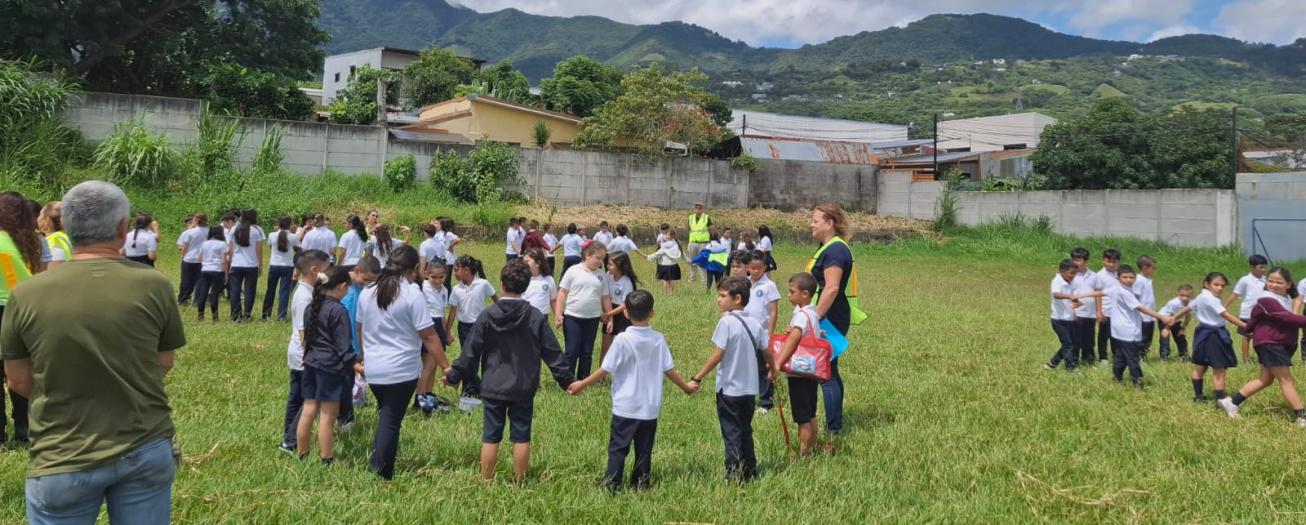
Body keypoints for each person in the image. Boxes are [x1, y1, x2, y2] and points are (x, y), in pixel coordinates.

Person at [2, 180, 185, 524]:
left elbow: (17, 380)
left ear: (65, 227)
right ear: (123, 228)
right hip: (143, 444)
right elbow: (164, 361)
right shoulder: (155, 285)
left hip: (61, 453)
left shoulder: (26, 294)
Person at [445, 261, 574, 482]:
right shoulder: (534, 316)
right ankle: (520, 482)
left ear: (501, 283)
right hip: (524, 385)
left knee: (491, 436)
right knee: (521, 435)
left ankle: (486, 480)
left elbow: (470, 351)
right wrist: (567, 381)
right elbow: (552, 351)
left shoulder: (487, 315)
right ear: (525, 286)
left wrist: (454, 375)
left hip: (493, 384)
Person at [568, 290, 696, 491]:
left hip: (625, 406)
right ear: (652, 312)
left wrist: (581, 384)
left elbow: (605, 369)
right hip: (649, 407)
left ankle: (612, 484)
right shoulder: (658, 339)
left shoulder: (622, 339)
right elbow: (669, 369)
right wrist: (686, 387)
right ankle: (640, 484)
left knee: (618, 448)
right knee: (644, 449)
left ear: (625, 313)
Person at [356, 246, 452, 480]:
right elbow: (428, 335)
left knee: (386, 415)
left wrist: (364, 356)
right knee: (390, 420)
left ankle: (380, 462)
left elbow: (360, 329)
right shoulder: (411, 294)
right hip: (401, 371)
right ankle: (379, 472)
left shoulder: (367, 291)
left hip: (374, 369)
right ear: (416, 269)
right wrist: (446, 366)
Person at [688, 276, 769, 482]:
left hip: (729, 389)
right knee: (745, 430)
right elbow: (766, 351)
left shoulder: (726, 322)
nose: (718, 300)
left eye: (723, 296)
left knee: (731, 432)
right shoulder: (755, 322)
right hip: (749, 389)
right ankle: (751, 470)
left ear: (737, 299)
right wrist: (774, 370)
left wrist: (697, 376)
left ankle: (733, 473)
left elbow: (718, 355)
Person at [1218, 267, 1306, 426]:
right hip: (1271, 344)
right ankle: (1301, 416)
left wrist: (1251, 324)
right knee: (1286, 380)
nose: (1274, 284)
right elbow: (1285, 318)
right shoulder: (1266, 299)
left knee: (1265, 380)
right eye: (1270, 281)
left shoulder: (1284, 298)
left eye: (1279, 282)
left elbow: (1253, 322)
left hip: (1276, 344)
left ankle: (1232, 403)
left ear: (1288, 284)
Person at [807, 203, 865, 436]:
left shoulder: (836, 251)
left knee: (826, 374)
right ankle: (833, 423)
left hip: (829, 319)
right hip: (826, 316)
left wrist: (814, 318)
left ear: (829, 223)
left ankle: (834, 429)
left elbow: (831, 289)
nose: (811, 224)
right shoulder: (828, 247)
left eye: (815, 220)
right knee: (827, 370)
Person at [296, 267, 355, 464]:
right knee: (328, 416)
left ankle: (302, 454)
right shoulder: (339, 311)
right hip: (330, 367)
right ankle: (326, 458)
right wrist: (358, 366)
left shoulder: (311, 307)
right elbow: (344, 345)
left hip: (311, 362)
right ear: (342, 286)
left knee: (308, 410)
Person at [0, 191, 42, 445]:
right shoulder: (26, 242)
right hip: (22, 311)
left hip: (6, 308)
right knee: (20, 373)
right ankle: (24, 430)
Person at [280, 249, 331, 454]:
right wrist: (314, 356)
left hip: (302, 354)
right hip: (304, 354)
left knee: (298, 397)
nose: (330, 272)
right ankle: (292, 439)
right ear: (314, 270)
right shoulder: (304, 296)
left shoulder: (310, 292)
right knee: (308, 399)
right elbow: (304, 333)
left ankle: (289, 437)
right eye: (328, 268)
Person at [1171, 272, 1248, 402]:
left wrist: (1173, 317)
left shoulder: (1202, 297)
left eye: (1222, 285)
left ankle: (1198, 396)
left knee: (1201, 365)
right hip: (1214, 334)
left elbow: (1188, 308)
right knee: (1219, 368)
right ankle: (1221, 399)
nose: (1219, 288)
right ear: (1206, 284)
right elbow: (1225, 314)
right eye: (1216, 284)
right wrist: (1246, 326)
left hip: (1201, 333)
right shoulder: (1210, 298)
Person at [773, 273, 823, 456]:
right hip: (812, 372)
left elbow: (793, 340)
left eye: (792, 291)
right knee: (811, 413)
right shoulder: (812, 312)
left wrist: (778, 363)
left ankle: (805, 453)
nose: (788, 295)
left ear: (805, 294)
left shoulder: (801, 316)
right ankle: (813, 445)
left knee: (802, 417)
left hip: (799, 373)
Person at [1104, 265, 1172, 385]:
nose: (1129, 280)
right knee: (1133, 357)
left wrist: (1079, 296)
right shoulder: (1125, 293)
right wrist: (1161, 317)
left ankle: (1117, 377)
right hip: (1128, 331)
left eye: (1131, 277)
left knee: (1120, 356)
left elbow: (1100, 292)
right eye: (1125, 277)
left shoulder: (1115, 289)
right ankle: (1137, 381)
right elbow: (1140, 308)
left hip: (1118, 331)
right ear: (1118, 278)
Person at [555, 242, 614, 381]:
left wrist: (610, 317)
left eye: (602, 259)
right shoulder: (573, 271)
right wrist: (558, 313)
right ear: (587, 255)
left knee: (587, 351)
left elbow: (605, 297)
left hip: (592, 318)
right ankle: (568, 381)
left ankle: (583, 380)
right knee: (572, 350)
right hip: (572, 317)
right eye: (597, 258)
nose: (600, 262)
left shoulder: (601, 275)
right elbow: (562, 292)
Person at [447, 255, 498, 405]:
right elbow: (452, 312)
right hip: (464, 328)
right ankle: (471, 390)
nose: (454, 273)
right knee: (468, 360)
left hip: (482, 327)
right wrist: (447, 331)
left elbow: (497, 300)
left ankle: (482, 389)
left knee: (485, 358)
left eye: (456, 270)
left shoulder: (483, 284)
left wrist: (500, 316)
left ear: (466, 270)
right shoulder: (456, 289)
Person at [339, 257, 381, 429]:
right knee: (341, 381)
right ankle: (342, 416)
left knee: (349, 380)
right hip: (341, 341)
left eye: (372, 282)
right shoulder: (340, 284)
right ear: (356, 271)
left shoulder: (368, 290)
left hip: (357, 342)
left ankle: (346, 417)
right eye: (365, 280)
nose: (368, 285)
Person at [743, 250, 781, 412]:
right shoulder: (743, 283)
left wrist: (769, 332)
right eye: (753, 268)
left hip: (761, 333)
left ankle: (766, 402)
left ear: (765, 267)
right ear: (747, 267)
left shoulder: (769, 286)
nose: (756, 271)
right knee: (746, 365)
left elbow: (773, 311)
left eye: (760, 268)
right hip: (744, 332)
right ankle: (746, 397)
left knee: (762, 366)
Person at [1046, 259, 1098, 371]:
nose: (1073, 276)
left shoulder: (1069, 282)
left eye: (1075, 274)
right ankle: (1071, 367)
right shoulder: (1057, 280)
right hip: (1059, 319)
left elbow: (1071, 299)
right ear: (1062, 271)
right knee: (1068, 344)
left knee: (1070, 344)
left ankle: (1052, 364)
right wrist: (1070, 297)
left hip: (1069, 318)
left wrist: (1075, 305)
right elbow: (1056, 295)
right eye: (1071, 273)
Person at [416, 262, 452, 416]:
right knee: (428, 365)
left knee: (435, 365)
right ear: (426, 274)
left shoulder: (444, 290)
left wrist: (446, 332)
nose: (437, 280)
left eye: (441, 277)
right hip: (427, 324)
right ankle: (419, 400)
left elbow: (441, 312)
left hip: (438, 324)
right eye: (433, 277)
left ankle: (429, 395)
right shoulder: (422, 288)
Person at [600, 252, 640, 365]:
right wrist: (608, 316)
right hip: (609, 310)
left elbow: (624, 305)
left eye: (611, 264)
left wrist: (608, 315)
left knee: (621, 348)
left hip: (622, 316)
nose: (608, 267)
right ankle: (600, 379)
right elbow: (605, 297)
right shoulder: (607, 276)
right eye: (607, 264)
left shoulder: (627, 282)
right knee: (605, 347)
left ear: (620, 265)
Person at [226, 209, 265, 323]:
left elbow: (230, 249)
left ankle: (235, 314)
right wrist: (260, 265)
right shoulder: (256, 231)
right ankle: (247, 314)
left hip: (236, 264)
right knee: (249, 291)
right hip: (251, 265)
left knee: (235, 290)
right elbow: (259, 250)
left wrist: (230, 263)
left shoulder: (234, 229)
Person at [1228, 255, 1268, 362]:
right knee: (1246, 336)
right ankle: (1246, 359)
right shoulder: (1245, 280)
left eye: (1265, 267)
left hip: (1262, 313)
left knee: (1261, 336)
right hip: (1248, 313)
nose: (1263, 270)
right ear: (1252, 267)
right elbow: (1235, 294)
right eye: (1261, 267)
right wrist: (1224, 306)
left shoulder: (1266, 281)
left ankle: (1262, 357)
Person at [263, 215, 299, 322]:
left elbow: (270, 247)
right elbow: (297, 249)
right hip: (287, 266)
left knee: (270, 290)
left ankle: (266, 314)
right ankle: (281, 316)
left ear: (278, 224)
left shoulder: (272, 235)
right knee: (284, 292)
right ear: (290, 225)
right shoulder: (293, 237)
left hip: (274, 264)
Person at [1069, 247, 1098, 366]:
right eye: (1074, 260)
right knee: (1075, 339)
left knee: (1089, 340)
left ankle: (1088, 360)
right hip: (1076, 313)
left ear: (1086, 262)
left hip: (1090, 314)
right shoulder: (1070, 276)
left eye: (1078, 260)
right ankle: (1073, 361)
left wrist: (1098, 311)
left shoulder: (1094, 276)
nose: (1075, 263)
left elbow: (1097, 294)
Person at [193, 226, 228, 322]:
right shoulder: (222, 244)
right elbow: (224, 260)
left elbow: (199, 258)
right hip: (217, 270)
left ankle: (200, 316)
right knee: (214, 294)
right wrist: (226, 273)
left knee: (202, 293)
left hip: (205, 270)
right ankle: (215, 317)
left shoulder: (205, 244)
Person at [1094, 248, 1122, 366]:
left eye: (1114, 262)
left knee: (1117, 334)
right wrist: (1099, 311)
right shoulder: (1099, 275)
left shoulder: (1121, 274)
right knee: (1104, 335)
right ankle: (1103, 357)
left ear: (1118, 262)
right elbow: (1097, 295)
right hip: (1106, 310)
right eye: (1108, 261)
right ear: (1103, 261)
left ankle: (1116, 355)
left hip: (1119, 311)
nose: (1111, 264)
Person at [176, 213, 208, 305]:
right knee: (200, 280)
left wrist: (183, 256)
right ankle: (198, 299)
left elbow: (184, 247)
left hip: (189, 259)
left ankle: (183, 298)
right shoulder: (209, 231)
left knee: (186, 280)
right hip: (203, 259)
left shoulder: (188, 232)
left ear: (197, 221)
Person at [1159, 284, 1194, 361]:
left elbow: (1188, 316)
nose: (1184, 298)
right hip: (1165, 319)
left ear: (1191, 295)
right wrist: (1166, 329)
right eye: (1182, 295)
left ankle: (1184, 355)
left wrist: (1183, 328)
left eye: (1187, 296)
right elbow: (1171, 317)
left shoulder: (1192, 303)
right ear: (1177, 294)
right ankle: (1164, 356)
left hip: (1177, 320)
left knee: (1180, 337)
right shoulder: (1174, 303)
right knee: (1165, 337)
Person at [642, 227, 683, 294]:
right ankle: (671, 294)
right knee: (671, 281)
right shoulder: (677, 244)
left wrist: (646, 256)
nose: (665, 236)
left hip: (665, 266)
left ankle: (666, 294)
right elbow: (682, 254)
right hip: (674, 266)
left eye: (667, 235)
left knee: (665, 281)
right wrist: (689, 261)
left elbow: (656, 255)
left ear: (671, 236)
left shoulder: (664, 247)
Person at [521, 249, 557, 318]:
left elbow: (553, 300)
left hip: (542, 317)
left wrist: (557, 315)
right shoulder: (521, 279)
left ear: (537, 263)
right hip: (524, 317)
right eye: (523, 262)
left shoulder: (548, 280)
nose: (524, 264)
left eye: (527, 261)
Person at [1135, 256, 1158, 357]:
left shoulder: (1148, 279)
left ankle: (1144, 353)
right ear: (1144, 267)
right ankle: (1139, 355)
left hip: (1150, 314)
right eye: (1153, 268)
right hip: (1143, 315)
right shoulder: (1138, 280)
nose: (1154, 271)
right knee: (1142, 336)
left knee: (1148, 336)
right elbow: (1135, 297)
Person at [38, 201, 72, 268]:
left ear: (47, 220)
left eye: (40, 215)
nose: (37, 218)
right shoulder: (67, 236)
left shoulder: (53, 241)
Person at [687, 202, 711, 283]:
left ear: (702, 209)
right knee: (692, 261)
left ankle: (704, 280)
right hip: (692, 242)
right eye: (696, 208)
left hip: (703, 243)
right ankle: (692, 279)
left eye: (699, 208)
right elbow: (689, 229)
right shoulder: (690, 218)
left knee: (703, 261)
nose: (697, 209)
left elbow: (711, 229)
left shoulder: (706, 218)